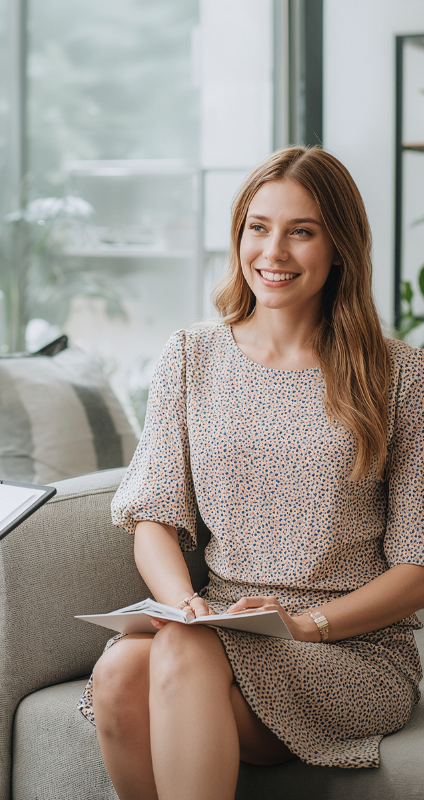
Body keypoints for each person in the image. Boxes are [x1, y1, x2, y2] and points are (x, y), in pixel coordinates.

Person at [78, 145, 424, 800]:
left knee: (177, 655)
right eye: (258, 227)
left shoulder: (399, 374)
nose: (275, 252)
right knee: (123, 668)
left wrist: (304, 625)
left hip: (347, 648)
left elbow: (417, 568)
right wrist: (185, 604)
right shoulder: (192, 355)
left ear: (340, 244)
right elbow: (153, 515)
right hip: (221, 626)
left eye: (302, 231)